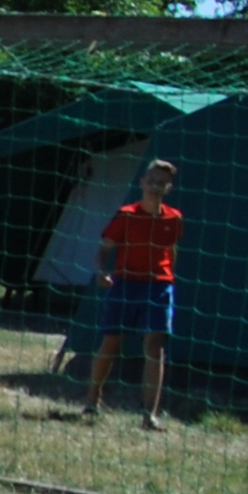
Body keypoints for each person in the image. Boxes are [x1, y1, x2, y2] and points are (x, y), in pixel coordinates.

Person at [84, 158, 181, 429]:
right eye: (152, 181)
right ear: (142, 183)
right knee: (111, 342)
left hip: (159, 286)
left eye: (161, 183)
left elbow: (172, 250)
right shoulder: (126, 215)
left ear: (168, 188)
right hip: (125, 284)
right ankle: (92, 399)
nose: (155, 186)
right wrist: (101, 272)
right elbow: (103, 250)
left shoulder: (174, 218)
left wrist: (167, 277)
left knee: (155, 346)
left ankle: (149, 415)